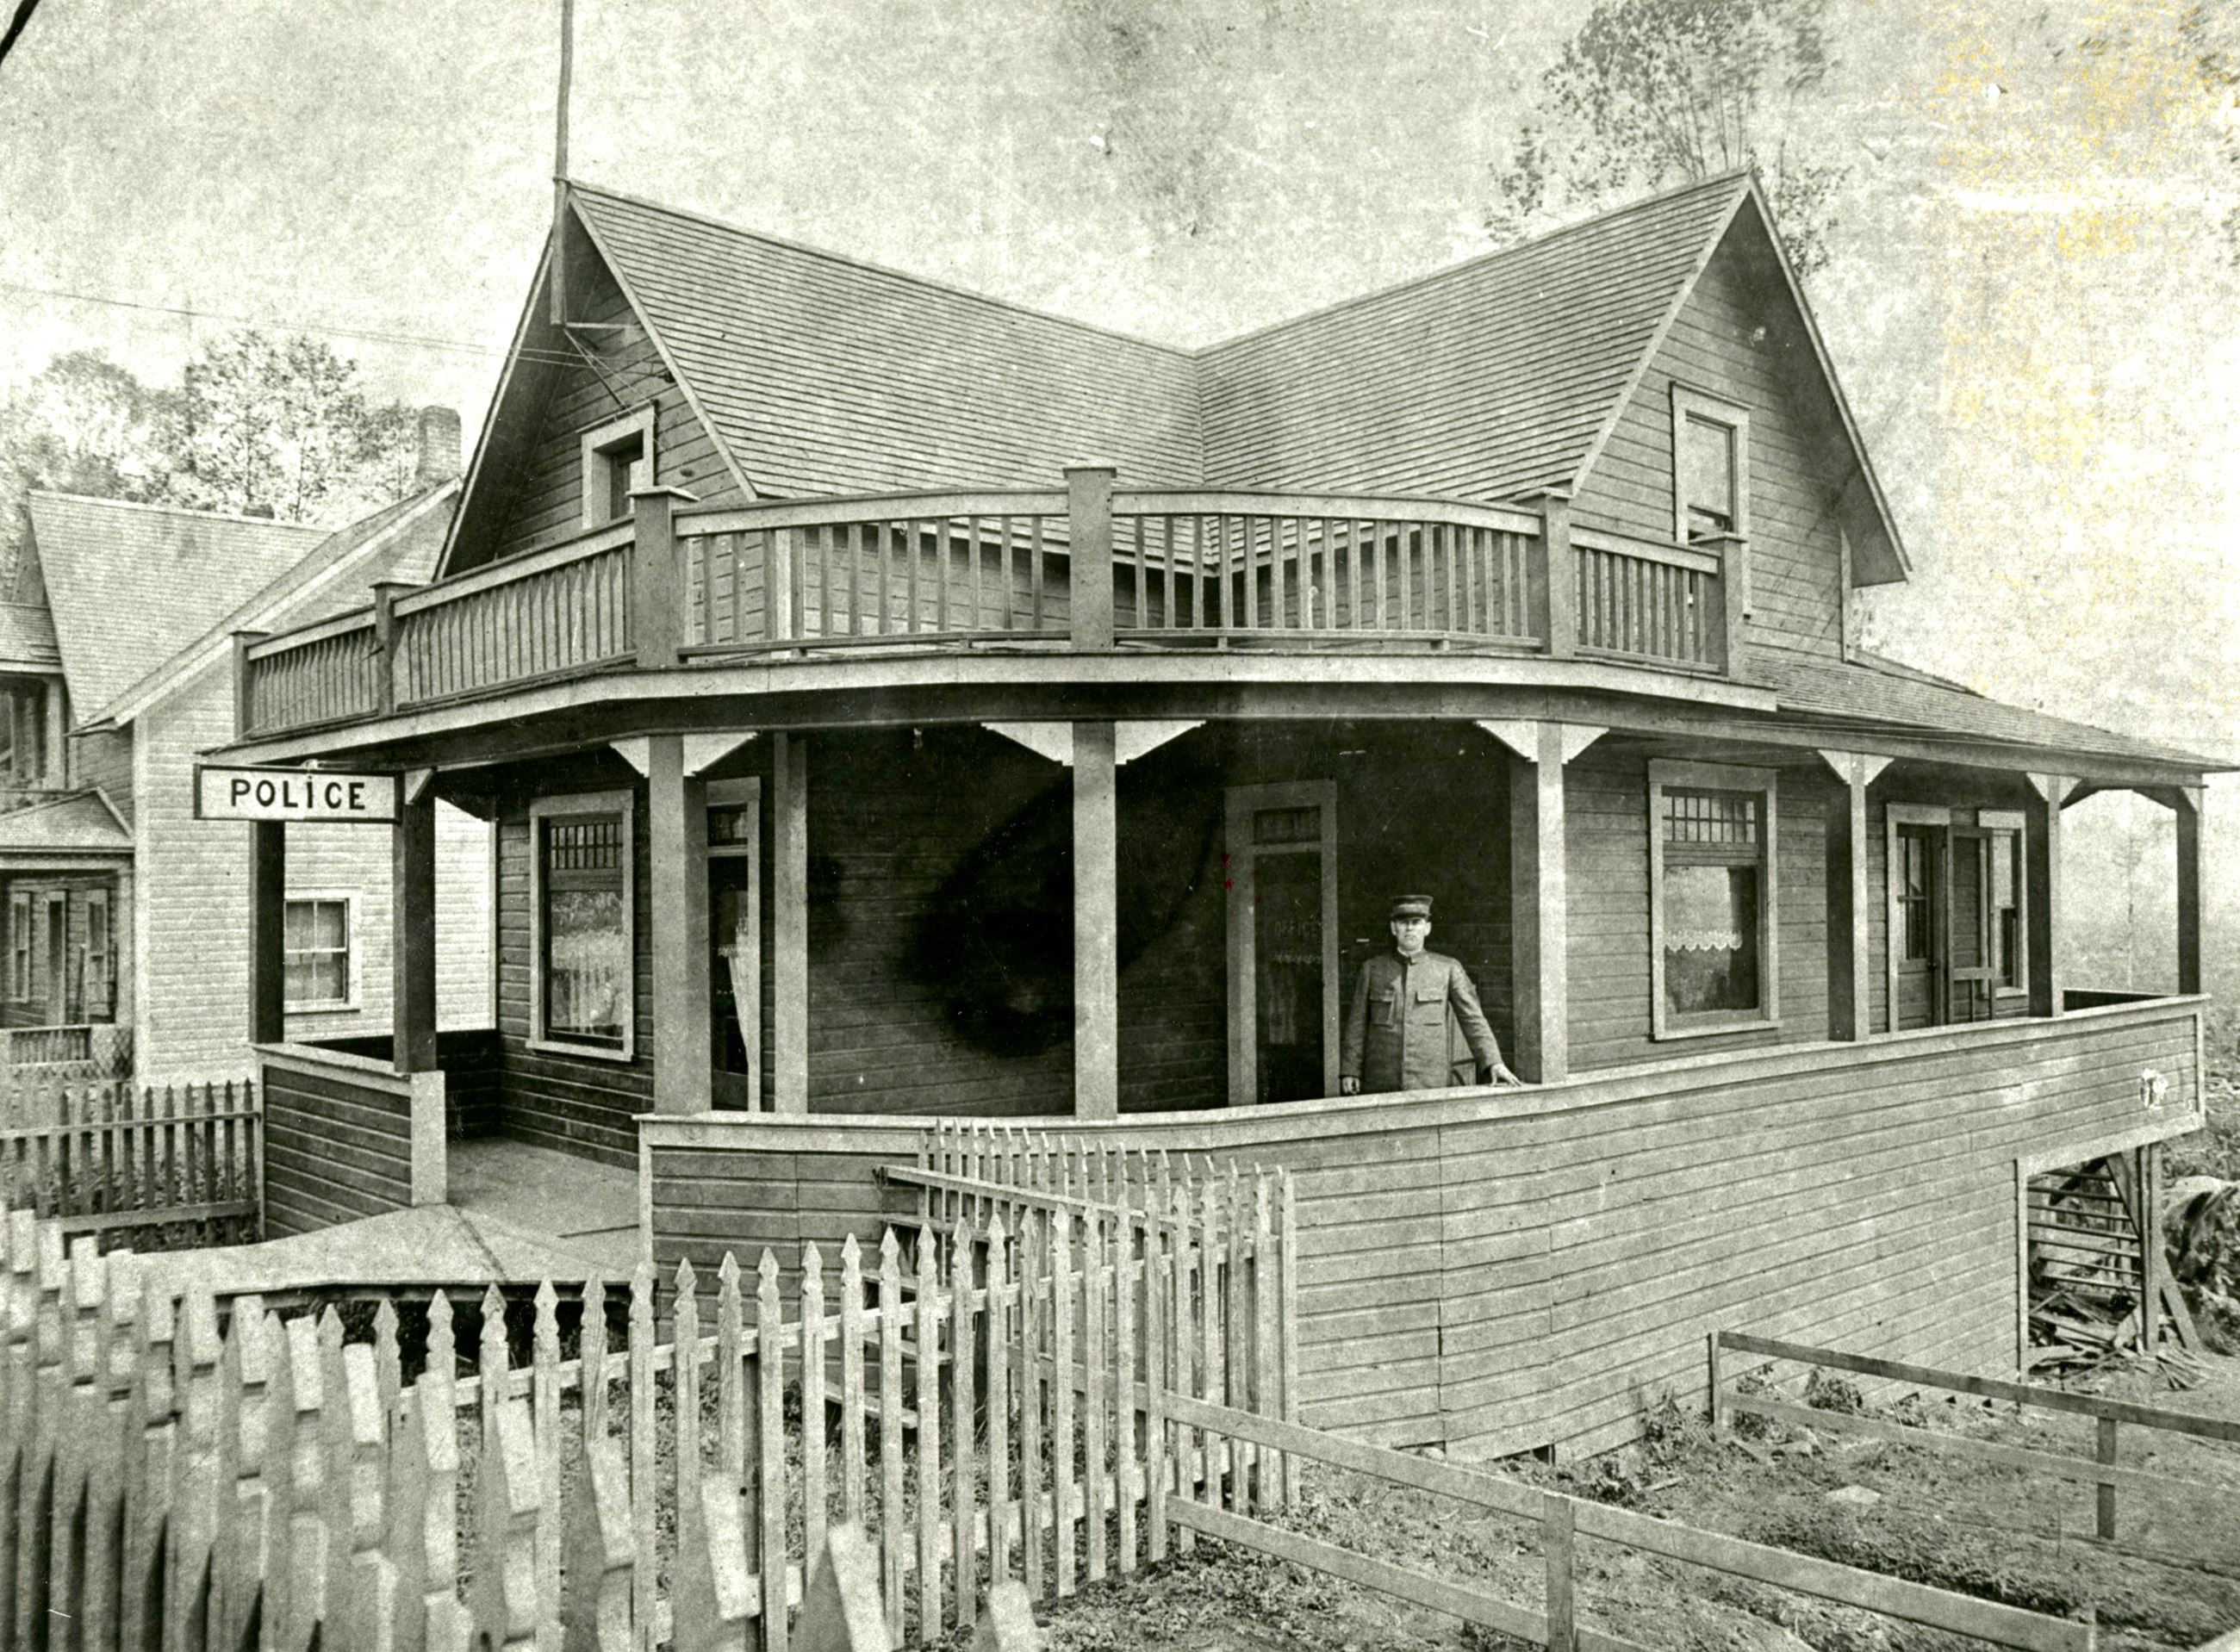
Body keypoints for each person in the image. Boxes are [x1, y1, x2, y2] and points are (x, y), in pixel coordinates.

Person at [1340, 895, 1521, 1094]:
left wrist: (1493, 1062)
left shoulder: (1448, 969)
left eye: (1416, 922)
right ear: (1394, 928)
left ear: (1427, 928)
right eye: (1403, 923)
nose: (1410, 929)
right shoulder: (1373, 969)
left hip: (1431, 1083)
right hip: (1381, 1081)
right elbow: (1356, 1024)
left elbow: (1473, 1020)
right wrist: (1350, 1070)